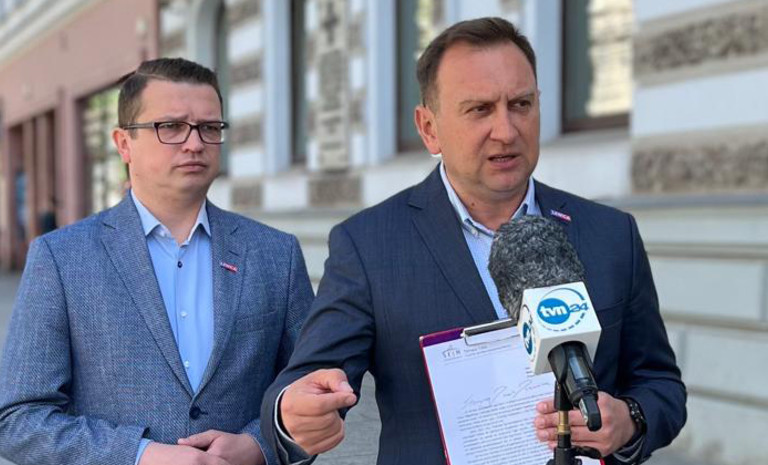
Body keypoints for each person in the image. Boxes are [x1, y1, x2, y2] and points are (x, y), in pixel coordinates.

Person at [260, 17, 686, 465]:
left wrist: (630, 420)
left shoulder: (611, 234)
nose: (506, 130)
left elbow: (660, 385)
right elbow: (304, 385)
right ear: (429, 128)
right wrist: (295, 414)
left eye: (521, 104)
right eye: (480, 109)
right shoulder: (369, 246)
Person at [0, 58, 313, 465]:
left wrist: (259, 446)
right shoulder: (62, 258)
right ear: (123, 143)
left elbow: (312, 386)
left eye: (209, 127)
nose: (194, 143)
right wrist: (140, 455)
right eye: (171, 126)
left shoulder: (275, 253)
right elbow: (19, 419)